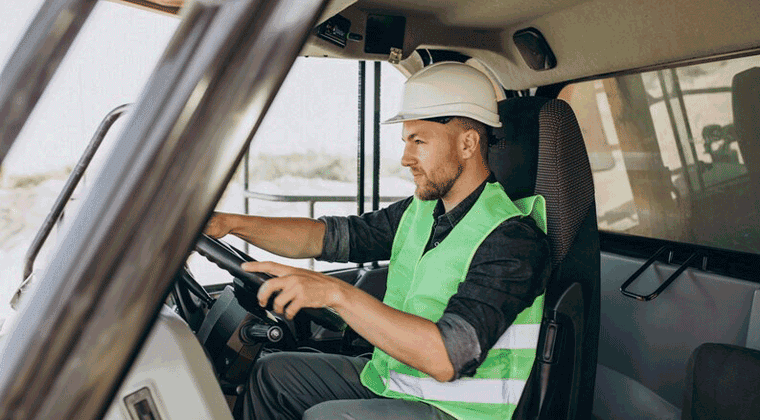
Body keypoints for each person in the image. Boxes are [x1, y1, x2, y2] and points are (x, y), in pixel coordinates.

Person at [205, 62, 551, 420]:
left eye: (419, 141)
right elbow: (328, 237)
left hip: (459, 409)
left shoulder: (513, 240)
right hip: (396, 382)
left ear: (467, 143)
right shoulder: (420, 213)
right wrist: (230, 223)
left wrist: (335, 294)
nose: (405, 158)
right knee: (272, 374)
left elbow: (447, 357)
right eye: (405, 142)